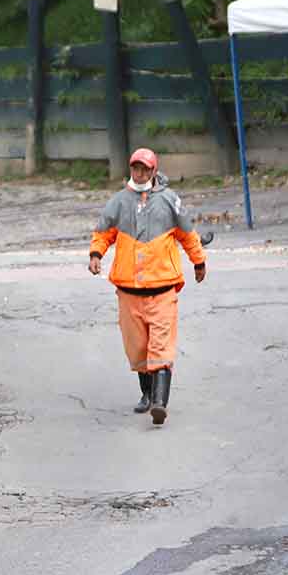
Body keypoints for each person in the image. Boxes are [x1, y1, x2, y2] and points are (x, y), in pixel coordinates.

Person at [88, 147, 206, 425]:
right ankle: (147, 393)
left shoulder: (169, 201)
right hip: (129, 291)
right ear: (131, 170)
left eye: (144, 169)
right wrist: (95, 255)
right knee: (138, 349)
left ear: (153, 171)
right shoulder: (118, 202)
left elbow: (188, 234)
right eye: (135, 168)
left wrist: (199, 261)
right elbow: (103, 233)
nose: (139, 173)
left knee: (161, 347)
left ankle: (159, 403)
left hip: (163, 288)